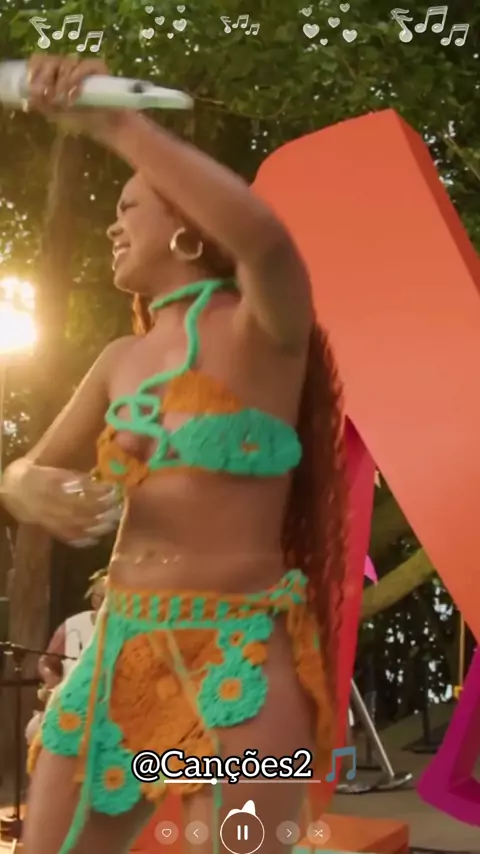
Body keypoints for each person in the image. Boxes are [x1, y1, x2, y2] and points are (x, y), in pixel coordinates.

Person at [0, 54, 348, 854]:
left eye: (130, 206)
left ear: (190, 226)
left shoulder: (267, 330)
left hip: (239, 656)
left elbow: (267, 242)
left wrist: (119, 126)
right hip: (117, 652)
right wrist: (26, 487)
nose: (112, 226)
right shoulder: (120, 359)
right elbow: (26, 469)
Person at [25, 572, 107, 747]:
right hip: (71, 706)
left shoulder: (125, 631)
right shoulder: (72, 626)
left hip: (108, 710)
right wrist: (53, 683)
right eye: (104, 599)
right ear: (94, 600)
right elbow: (46, 662)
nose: (109, 605)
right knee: (35, 732)